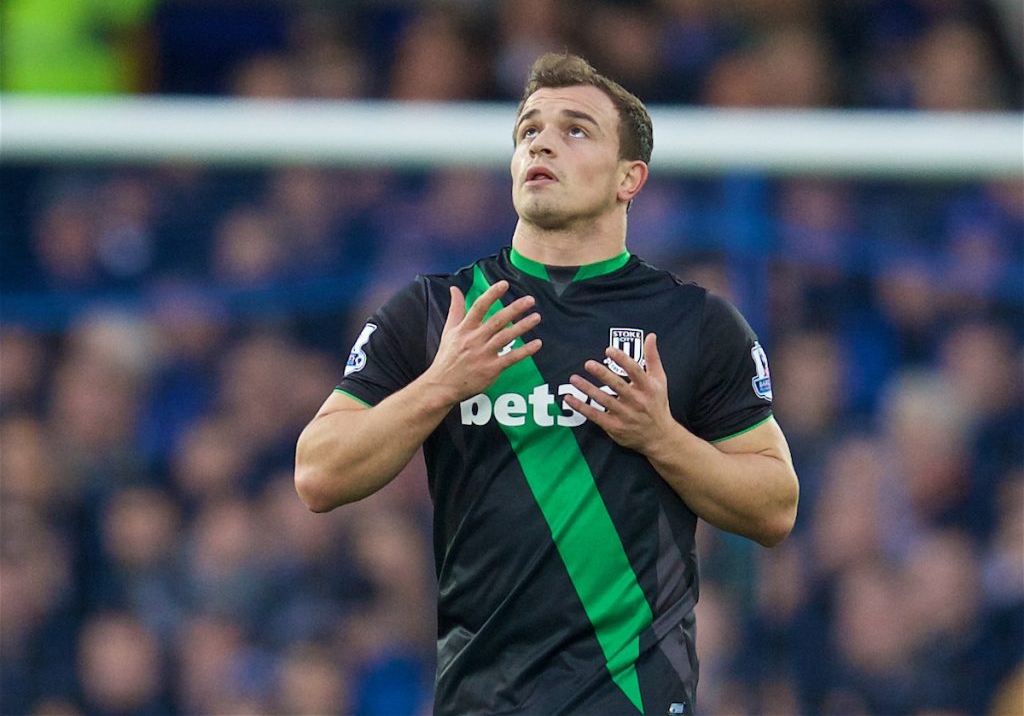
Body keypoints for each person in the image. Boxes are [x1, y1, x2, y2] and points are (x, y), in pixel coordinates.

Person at [295, 52, 799, 715]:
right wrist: (442, 383)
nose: (541, 141)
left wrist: (662, 438)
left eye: (576, 129)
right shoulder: (439, 311)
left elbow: (775, 507)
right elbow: (318, 473)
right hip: (482, 700)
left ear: (630, 177)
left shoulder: (693, 323)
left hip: (633, 700)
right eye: (529, 129)